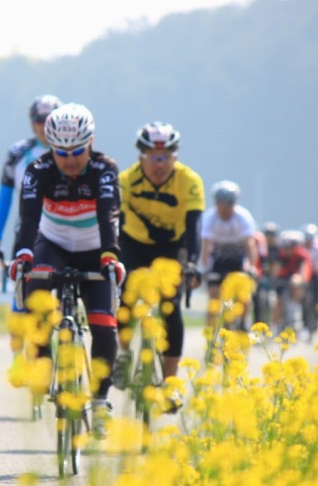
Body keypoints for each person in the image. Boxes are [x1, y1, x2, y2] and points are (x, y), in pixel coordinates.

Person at [8, 103, 123, 439]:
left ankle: (100, 402)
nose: (70, 159)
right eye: (61, 151)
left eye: (78, 151)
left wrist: (110, 255)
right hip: (54, 244)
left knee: (104, 325)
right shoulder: (38, 169)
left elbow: (108, 215)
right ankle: (43, 361)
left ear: (91, 143)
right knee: (36, 291)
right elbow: (28, 219)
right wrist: (23, 254)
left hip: (94, 248)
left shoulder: (104, 169)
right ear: (50, 147)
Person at [115, 121, 204, 387]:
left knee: (170, 307)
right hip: (133, 243)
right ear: (142, 157)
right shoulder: (126, 181)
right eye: (153, 158)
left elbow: (194, 227)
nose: (159, 164)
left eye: (165, 157)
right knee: (126, 299)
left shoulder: (189, 181)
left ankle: (170, 382)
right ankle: (123, 354)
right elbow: (115, 223)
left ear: (175, 157)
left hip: (172, 247)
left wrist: (191, 263)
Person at [0, 94, 62, 273]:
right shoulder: (17, 153)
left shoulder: (71, 152)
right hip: (28, 226)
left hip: (63, 227)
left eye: (50, 120)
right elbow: (4, 200)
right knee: (22, 286)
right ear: (31, 123)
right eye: (39, 120)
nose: (44, 126)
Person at [200, 180, 258, 330]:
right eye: (222, 204)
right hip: (218, 260)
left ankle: (242, 324)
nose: (225, 209)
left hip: (238, 260)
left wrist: (251, 267)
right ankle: (210, 332)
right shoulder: (210, 218)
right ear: (216, 203)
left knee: (243, 296)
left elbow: (250, 245)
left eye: (229, 204)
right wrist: (205, 267)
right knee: (213, 295)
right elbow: (206, 245)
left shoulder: (243, 217)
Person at [273, 230, 313, 332]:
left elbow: (304, 270)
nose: (287, 250)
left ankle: (295, 312)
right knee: (278, 300)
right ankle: (275, 326)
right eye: (285, 247)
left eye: (290, 247)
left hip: (295, 278)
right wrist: (274, 279)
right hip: (283, 278)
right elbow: (275, 270)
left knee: (295, 283)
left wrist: (301, 280)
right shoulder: (280, 255)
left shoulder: (301, 255)